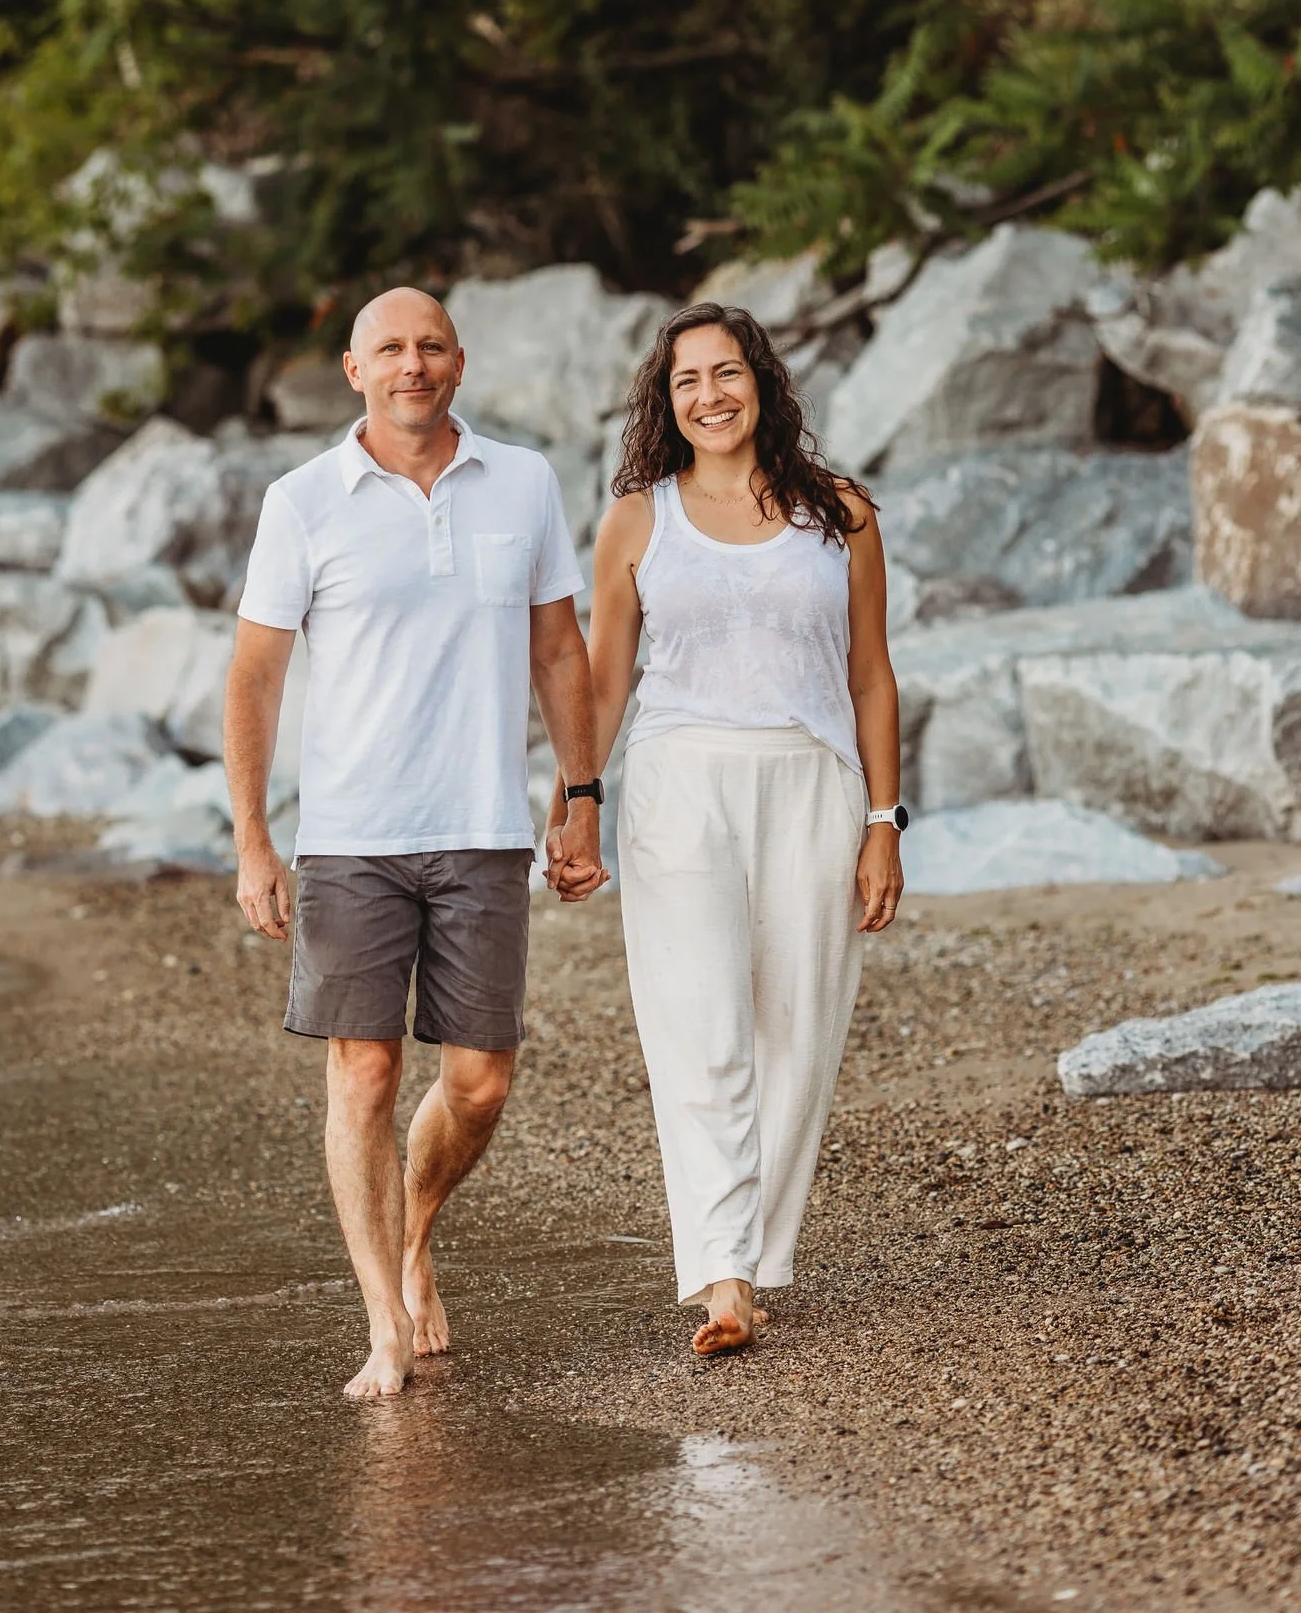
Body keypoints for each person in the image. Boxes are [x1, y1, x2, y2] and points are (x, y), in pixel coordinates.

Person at [224, 287, 606, 1400]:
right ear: (353, 369)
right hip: (350, 840)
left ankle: (413, 1231)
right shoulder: (302, 502)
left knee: (480, 1083)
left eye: (430, 346)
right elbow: (253, 675)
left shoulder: (523, 483)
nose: (411, 364)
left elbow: (560, 650)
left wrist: (580, 795)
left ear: (459, 362)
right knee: (365, 1074)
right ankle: (384, 1322)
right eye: (389, 347)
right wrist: (255, 840)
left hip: (484, 829)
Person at [554, 301, 903, 1359]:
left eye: (725, 373)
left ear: (761, 381)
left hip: (812, 783)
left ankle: (760, 1249)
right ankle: (724, 1280)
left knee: (795, 1031)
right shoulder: (636, 519)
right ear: (665, 402)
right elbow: (605, 681)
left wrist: (884, 821)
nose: (708, 395)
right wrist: (578, 802)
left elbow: (870, 675)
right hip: (678, 784)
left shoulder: (838, 513)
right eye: (685, 381)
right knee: (696, 1025)